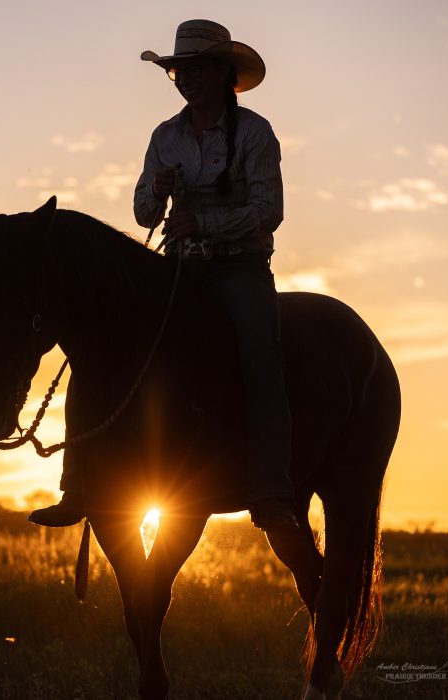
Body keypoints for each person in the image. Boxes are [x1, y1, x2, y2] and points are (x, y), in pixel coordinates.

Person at [30, 19, 303, 545]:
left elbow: (269, 211)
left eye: (196, 69)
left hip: (237, 268)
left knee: (260, 356)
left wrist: (205, 222)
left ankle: (271, 491)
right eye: (179, 70)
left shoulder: (255, 133)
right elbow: (141, 211)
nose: (185, 79)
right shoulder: (165, 136)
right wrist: (157, 191)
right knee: (96, 351)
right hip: (177, 266)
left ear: (223, 73)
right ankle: (77, 486)